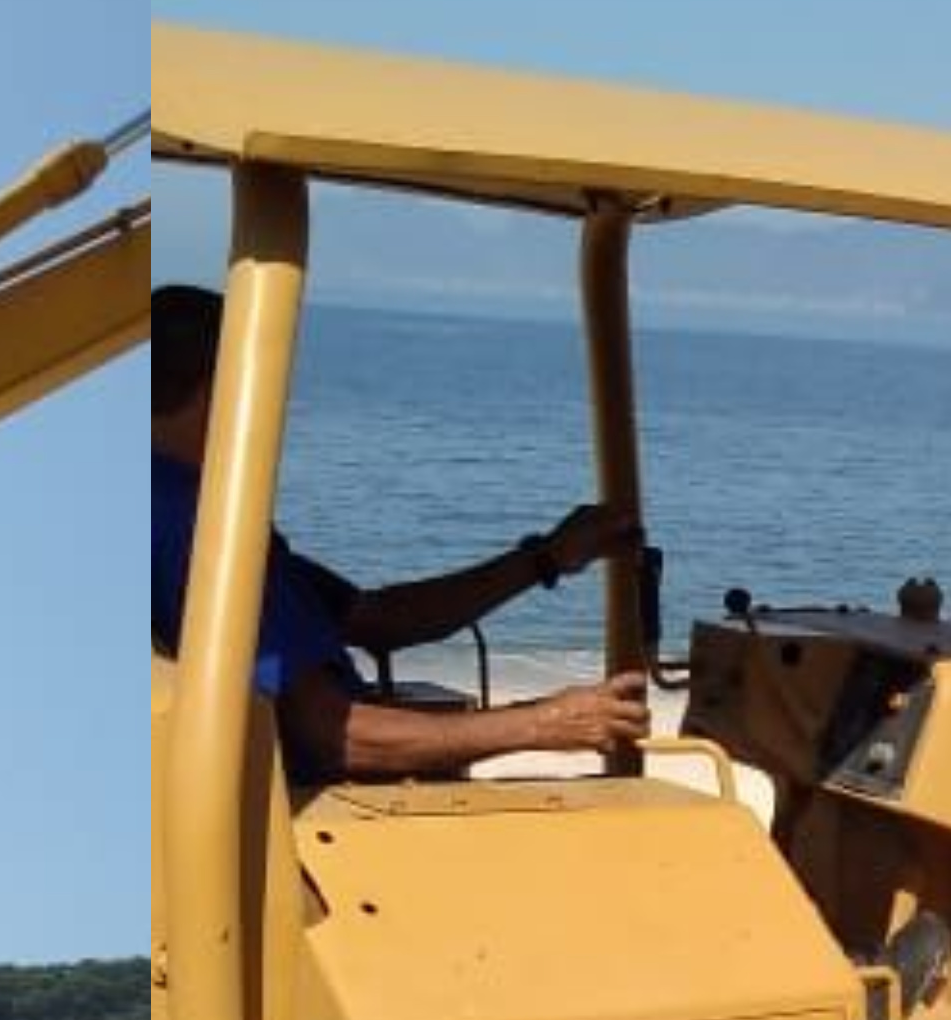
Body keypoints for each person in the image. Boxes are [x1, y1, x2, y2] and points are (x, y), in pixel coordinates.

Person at [150, 283, 652, 788]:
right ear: (225, 390)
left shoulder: (175, 508)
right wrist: (543, 724)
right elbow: (334, 735)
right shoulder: (200, 532)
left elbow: (378, 618)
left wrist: (547, 558)